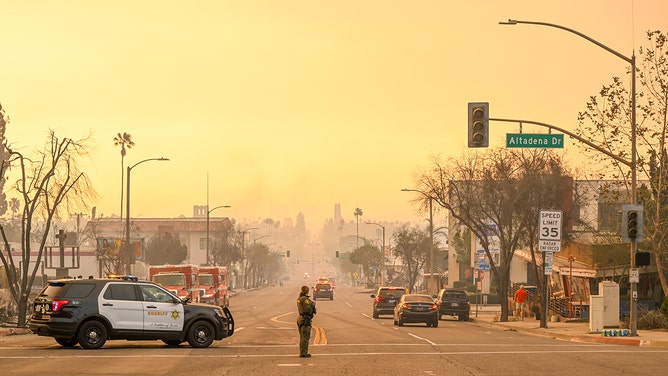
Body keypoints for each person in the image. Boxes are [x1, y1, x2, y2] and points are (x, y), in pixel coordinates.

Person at [297, 285, 316, 358]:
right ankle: (303, 353)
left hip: (300, 318)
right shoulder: (305, 300)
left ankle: (302, 351)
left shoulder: (299, 298)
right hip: (305, 319)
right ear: (307, 291)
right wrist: (312, 305)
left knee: (302, 337)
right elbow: (309, 309)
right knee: (305, 337)